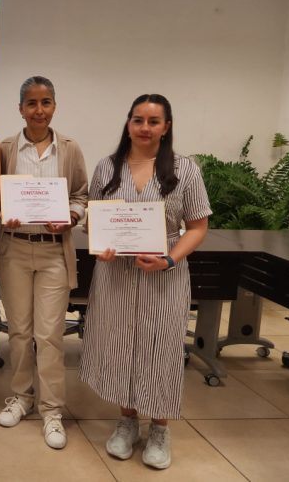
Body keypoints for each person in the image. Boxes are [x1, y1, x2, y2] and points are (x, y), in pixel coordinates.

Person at [78, 94, 211, 469]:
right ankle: (127, 421)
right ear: (128, 123)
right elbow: (94, 219)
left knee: (160, 347)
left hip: (164, 274)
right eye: (138, 120)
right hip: (115, 273)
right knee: (120, 344)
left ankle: (160, 428)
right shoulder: (108, 167)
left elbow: (199, 226)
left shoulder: (185, 170)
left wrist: (169, 258)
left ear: (166, 127)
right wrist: (100, 243)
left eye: (154, 121)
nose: (145, 128)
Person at [0, 76, 88, 449]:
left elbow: (81, 193)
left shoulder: (69, 148)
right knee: (19, 332)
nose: (39, 110)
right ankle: (21, 397)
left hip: (53, 252)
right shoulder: (4, 148)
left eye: (46, 102)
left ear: (54, 106)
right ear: (20, 108)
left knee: (49, 335)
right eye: (31, 103)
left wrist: (73, 216)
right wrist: (2, 213)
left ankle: (51, 410)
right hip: (15, 247)